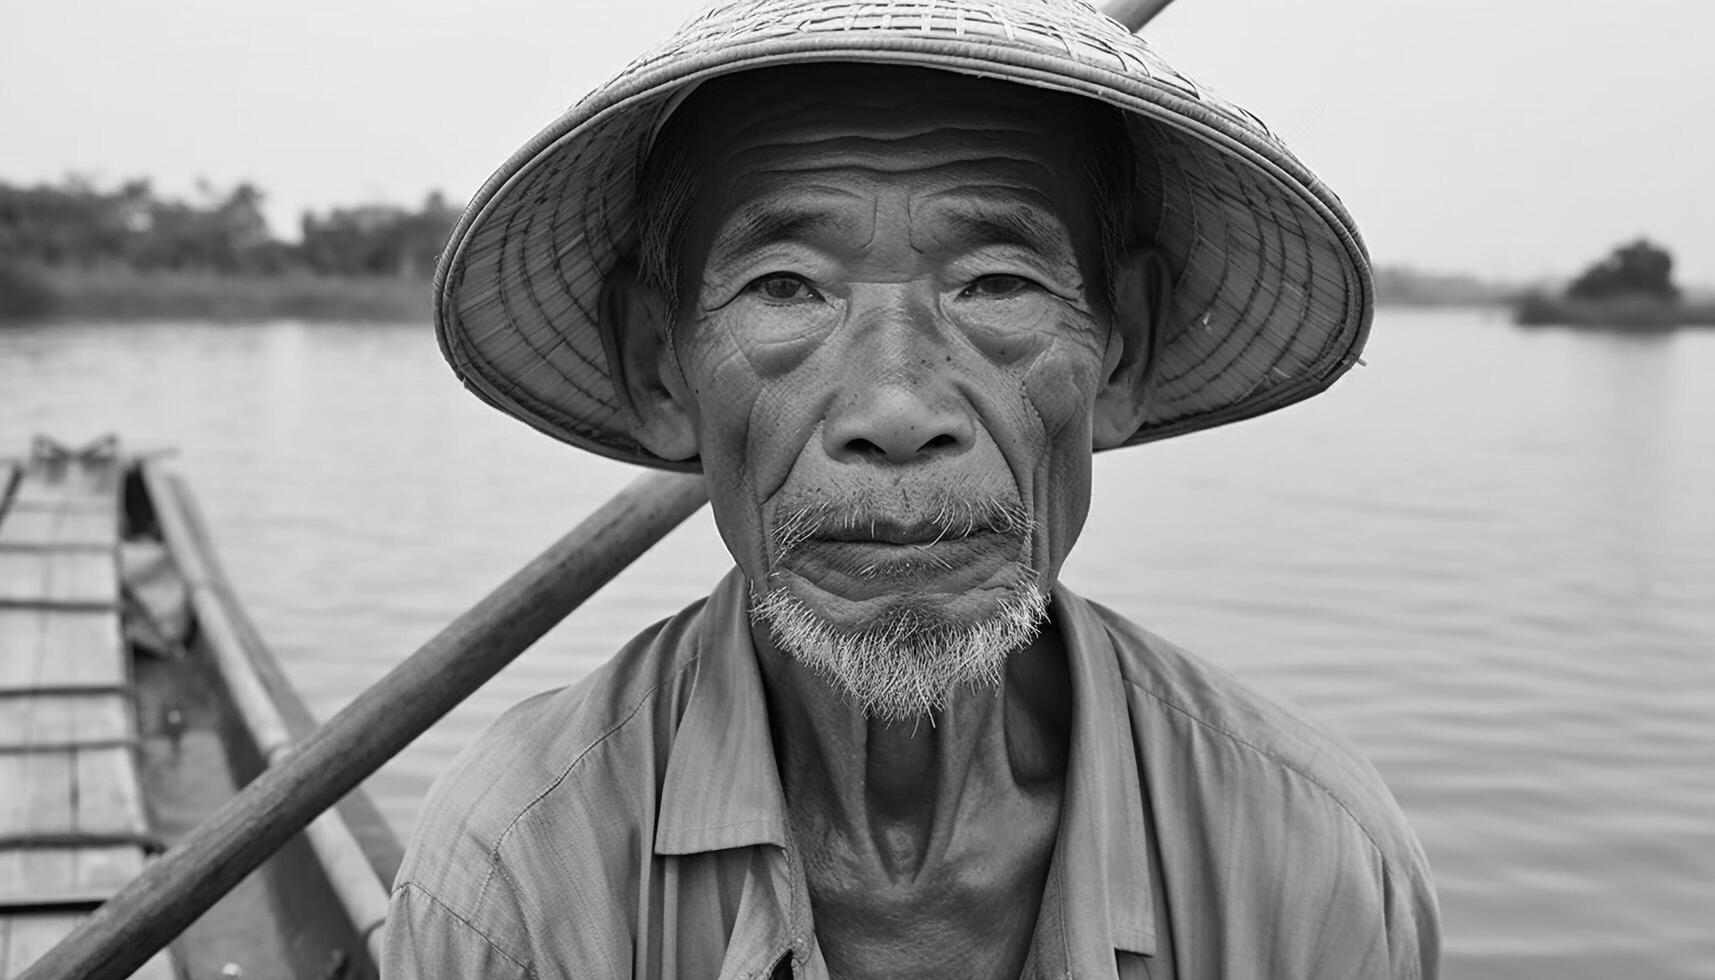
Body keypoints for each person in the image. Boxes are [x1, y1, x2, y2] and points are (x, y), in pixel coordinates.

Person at [384, 0, 1439, 976]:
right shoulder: (517, 865)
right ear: (660, 368)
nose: (894, 408)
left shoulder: (1308, 855)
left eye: (996, 284)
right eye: (785, 286)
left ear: (1121, 352)